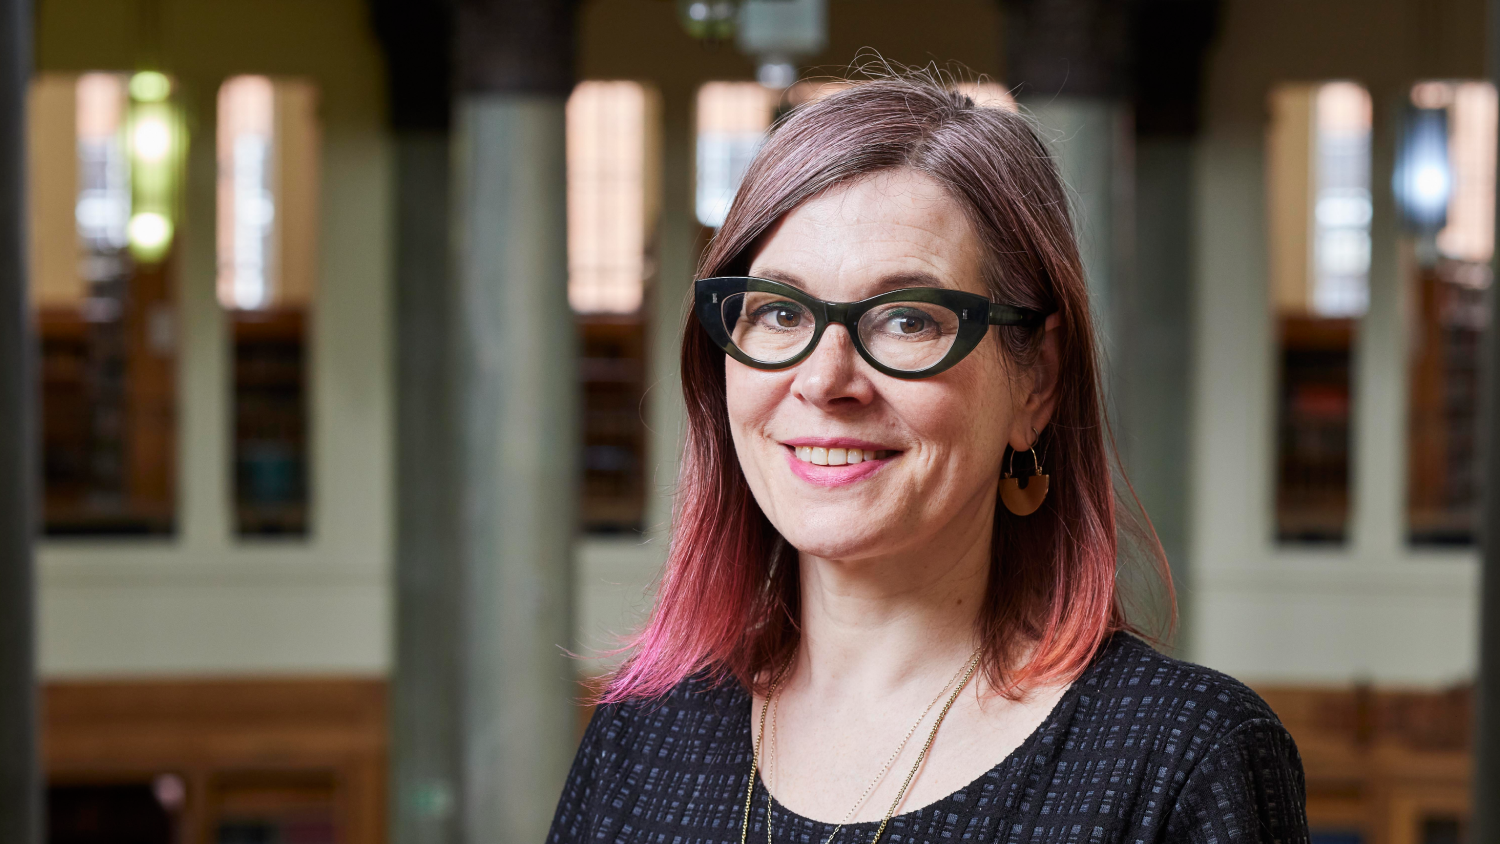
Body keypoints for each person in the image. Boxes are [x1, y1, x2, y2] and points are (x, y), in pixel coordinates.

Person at [548, 73, 1309, 844]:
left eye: (907, 319)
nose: (824, 380)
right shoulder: (640, 740)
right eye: (779, 312)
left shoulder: (1183, 760)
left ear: (1037, 380)